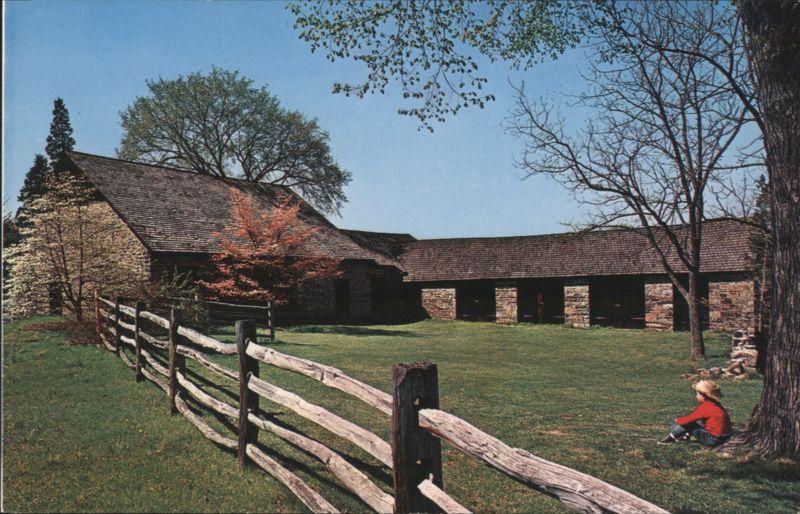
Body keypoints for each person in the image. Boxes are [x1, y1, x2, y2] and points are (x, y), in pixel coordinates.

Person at [658, 380, 732, 447]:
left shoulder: (706, 407)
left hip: (713, 440)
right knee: (698, 421)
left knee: (688, 424)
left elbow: (687, 420)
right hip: (726, 437)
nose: (696, 396)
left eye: (697, 394)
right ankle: (685, 436)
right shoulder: (715, 404)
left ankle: (670, 438)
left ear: (703, 395)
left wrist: (677, 420)